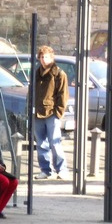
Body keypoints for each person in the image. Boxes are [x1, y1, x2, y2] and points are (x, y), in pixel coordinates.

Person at [33, 45, 69, 180]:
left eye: (46, 57)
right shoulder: (36, 73)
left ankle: (62, 169)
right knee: (41, 143)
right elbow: (32, 93)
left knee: (55, 142)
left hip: (51, 112)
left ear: (51, 58)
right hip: (38, 112)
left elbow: (63, 94)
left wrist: (58, 113)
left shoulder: (59, 73)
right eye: (41, 57)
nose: (43, 60)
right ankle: (46, 170)